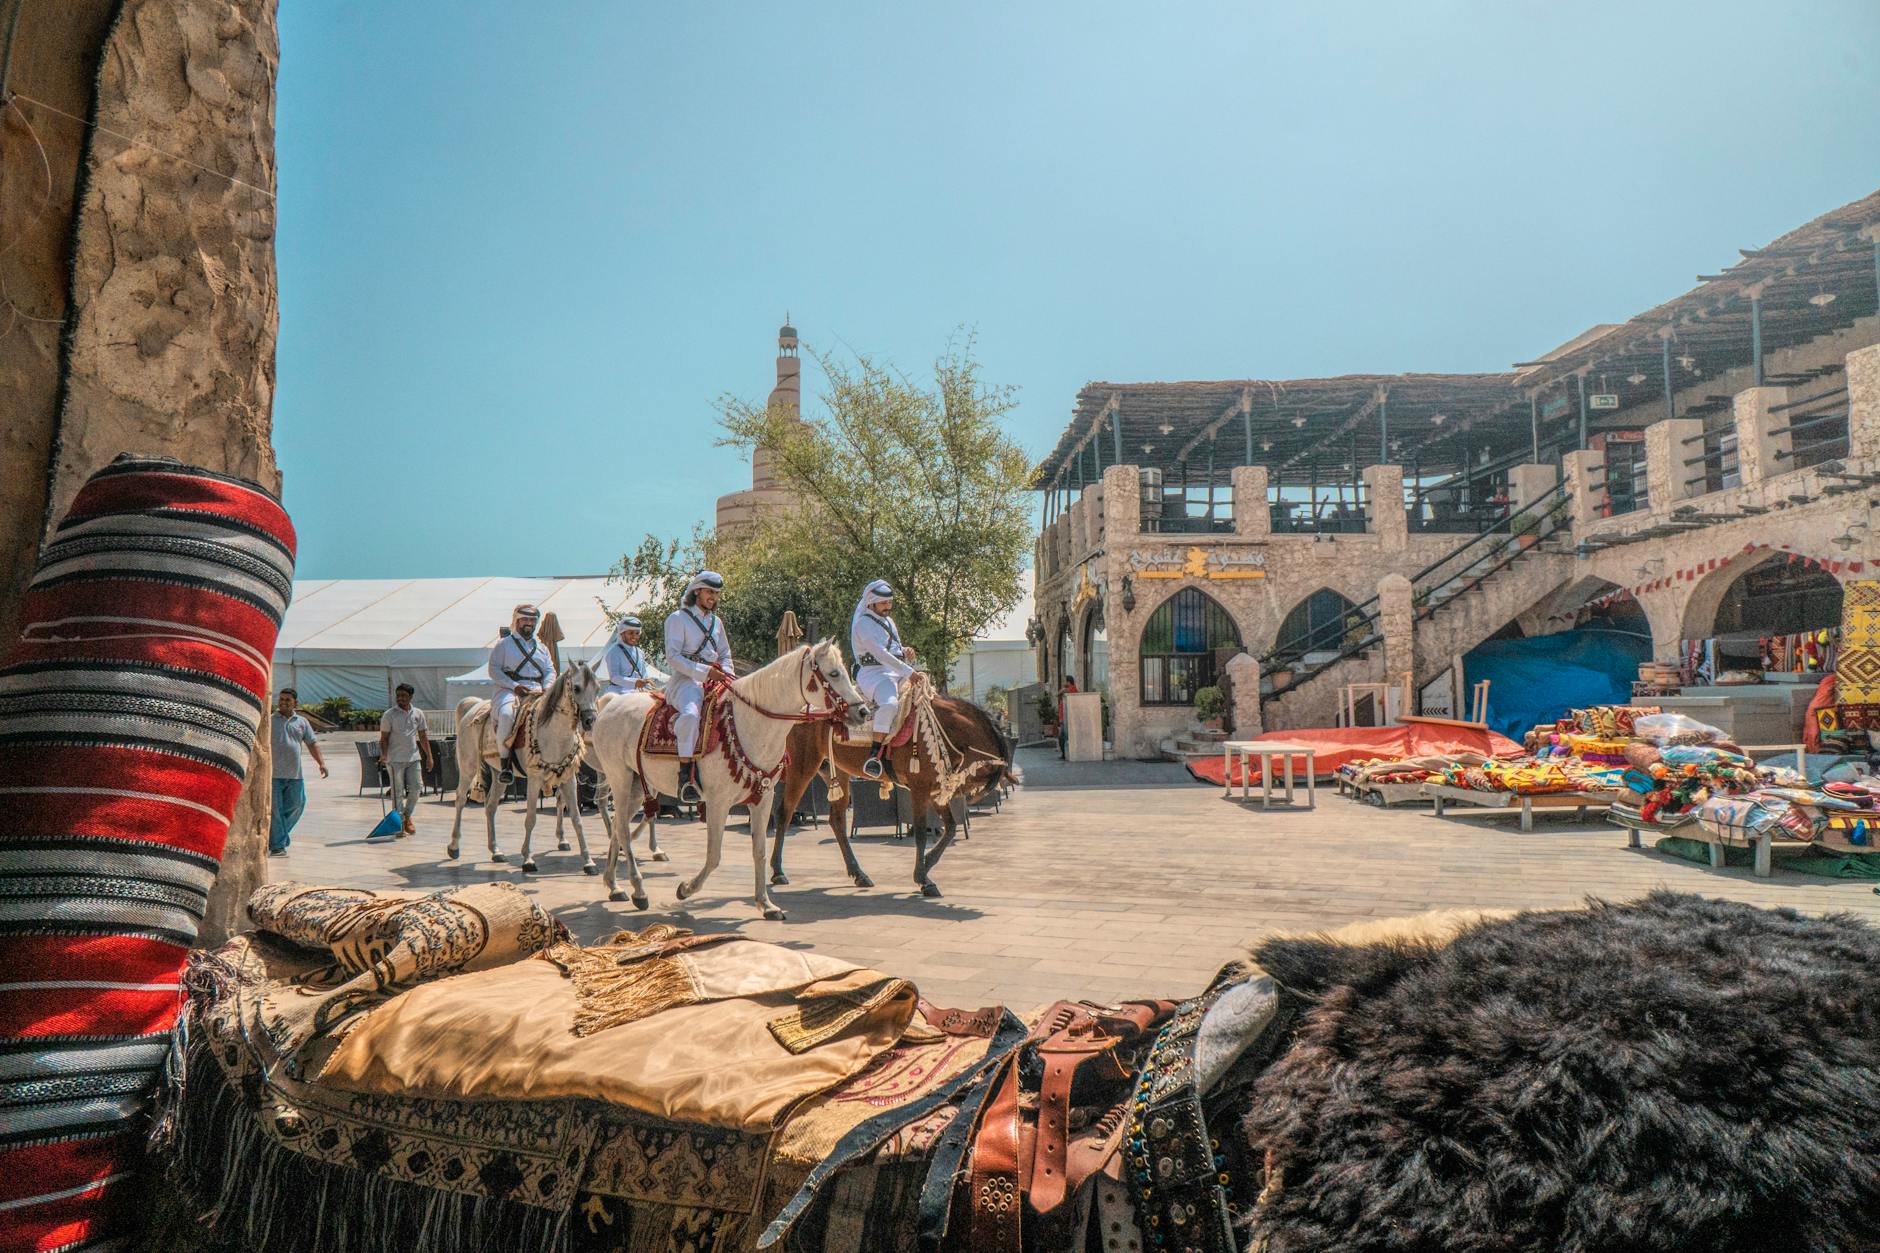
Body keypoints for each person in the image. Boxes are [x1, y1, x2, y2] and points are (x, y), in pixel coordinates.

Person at [663, 571, 732, 804]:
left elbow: (725, 654)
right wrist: (704, 672)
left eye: (716, 593)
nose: (713, 597)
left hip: (716, 679)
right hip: (686, 681)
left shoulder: (716, 622)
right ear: (697, 592)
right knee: (692, 714)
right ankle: (686, 776)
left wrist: (729, 678)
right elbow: (672, 657)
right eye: (709, 592)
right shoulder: (677, 619)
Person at [850, 578, 917, 779]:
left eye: (889, 603)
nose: (888, 607)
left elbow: (892, 649)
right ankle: (874, 755)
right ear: (871, 602)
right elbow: (880, 654)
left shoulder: (888, 621)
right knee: (889, 705)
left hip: (896, 670)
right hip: (875, 674)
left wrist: (905, 651)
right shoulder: (863, 624)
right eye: (883, 603)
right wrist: (909, 672)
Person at [488, 603, 556, 783]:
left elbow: (550, 670)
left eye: (532, 620)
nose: (529, 623)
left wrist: (548, 687)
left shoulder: (542, 648)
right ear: (517, 621)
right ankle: (505, 764)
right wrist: (514, 685)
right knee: (506, 714)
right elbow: (494, 670)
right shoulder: (503, 644)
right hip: (510, 690)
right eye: (525, 619)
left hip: (538, 690)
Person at [269, 687, 327, 855]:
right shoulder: (270, 720)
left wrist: (321, 763)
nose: (283, 702)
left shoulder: (302, 722)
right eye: (281, 699)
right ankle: (278, 846)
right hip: (274, 775)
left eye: (287, 700)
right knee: (275, 811)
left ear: (295, 703)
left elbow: (312, 743)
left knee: (297, 805)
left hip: (295, 774)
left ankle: (278, 837)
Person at [377, 683, 434, 835]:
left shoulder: (418, 713)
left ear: (410, 697)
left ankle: (407, 817)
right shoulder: (389, 714)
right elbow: (384, 738)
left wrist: (429, 756)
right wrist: (383, 754)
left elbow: (422, 736)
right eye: (398, 695)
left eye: (404, 696)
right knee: (397, 792)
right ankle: (399, 823)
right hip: (394, 759)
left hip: (414, 757)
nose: (400, 699)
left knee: (417, 788)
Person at [599, 614, 667, 696]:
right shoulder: (614, 651)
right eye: (630, 633)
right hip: (618, 692)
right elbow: (614, 677)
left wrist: (649, 686)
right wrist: (635, 682)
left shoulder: (640, 652)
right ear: (622, 633)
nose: (634, 636)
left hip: (638, 692)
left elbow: (644, 675)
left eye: (637, 633)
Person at [1057, 676, 1079, 760]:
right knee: (1063, 737)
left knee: (1062, 736)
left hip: (1068, 718)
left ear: (1069, 682)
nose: (1063, 683)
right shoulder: (1068, 690)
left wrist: (1061, 692)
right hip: (1063, 718)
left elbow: (1059, 692)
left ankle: (1066, 754)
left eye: (1065, 681)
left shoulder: (1072, 689)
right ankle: (1065, 754)